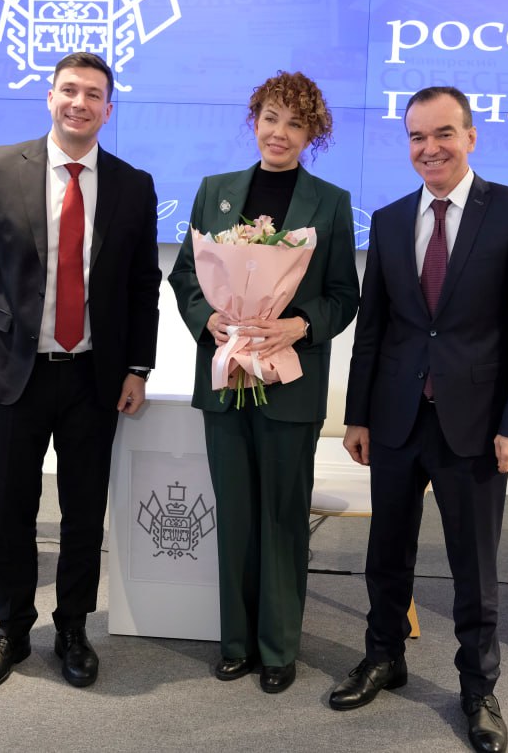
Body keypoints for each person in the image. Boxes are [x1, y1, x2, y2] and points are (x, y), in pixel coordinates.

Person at [330, 86, 508, 752]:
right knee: (385, 553)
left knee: (474, 568)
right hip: (396, 417)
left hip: (477, 424)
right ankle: (383, 657)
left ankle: (478, 688)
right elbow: (374, 328)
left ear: (471, 136)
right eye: (417, 136)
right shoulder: (390, 219)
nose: (429, 148)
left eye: (443, 133)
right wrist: (357, 415)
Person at [0, 51, 161, 695]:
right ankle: (11, 630)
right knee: (8, 510)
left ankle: (73, 628)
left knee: (83, 513)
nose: (80, 103)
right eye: (70, 90)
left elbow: (142, 286)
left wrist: (138, 367)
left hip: (94, 377)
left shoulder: (133, 185)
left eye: (94, 94)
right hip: (12, 373)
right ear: (49, 97)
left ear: (108, 109)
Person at [169, 71, 359, 694]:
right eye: (271, 118)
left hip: (291, 385)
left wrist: (299, 326)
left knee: (281, 517)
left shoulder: (330, 202)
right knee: (234, 515)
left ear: (313, 134)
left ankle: (278, 647)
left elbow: (344, 295)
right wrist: (209, 319)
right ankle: (235, 643)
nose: (280, 133)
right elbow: (185, 277)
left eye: (296, 123)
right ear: (255, 120)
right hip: (226, 379)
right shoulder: (215, 192)